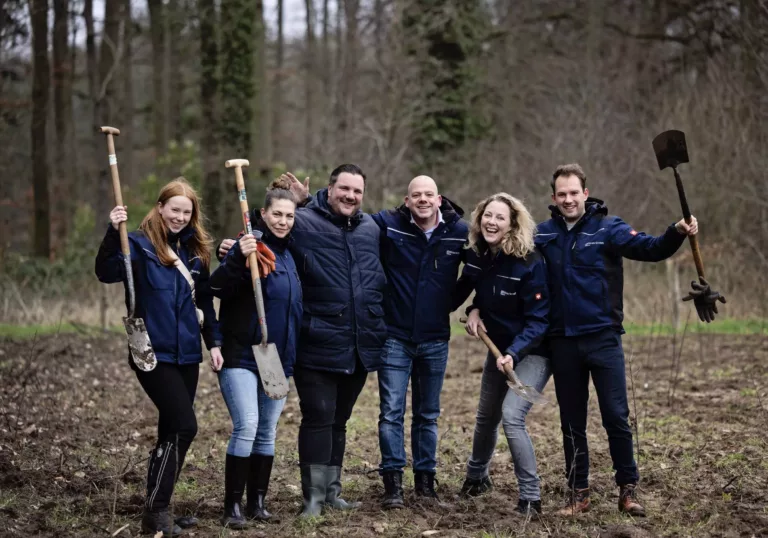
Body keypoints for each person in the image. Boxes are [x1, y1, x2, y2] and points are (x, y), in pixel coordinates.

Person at [219, 164, 387, 517]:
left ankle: (331, 492)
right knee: (319, 416)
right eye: (344, 188)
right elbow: (266, 225)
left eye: (357, 191)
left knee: (340, 419)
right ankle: (311, 497)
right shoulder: (303, 220)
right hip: (314, 341)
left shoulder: (371, 226)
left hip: (357, 343)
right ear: (330, 188)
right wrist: (236, 246)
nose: (350, 196)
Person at [536, 163, 698, 517]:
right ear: (553, 197)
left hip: (603, 338)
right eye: (561, 194)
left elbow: (650, 248)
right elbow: (515, 271)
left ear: (585, 193)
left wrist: (676, 232)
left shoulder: (609, 228)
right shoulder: (542, 235)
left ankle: (628, 490)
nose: (568, 199)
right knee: (571, 422)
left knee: (616, 417)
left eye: (573, 193)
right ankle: (578, 495)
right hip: (562, 341)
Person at [95, 178, 223, 536]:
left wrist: (213, 343)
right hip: (148, 348)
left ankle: (156, 507)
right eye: (174, 209)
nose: (180, 217)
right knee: (185, 425)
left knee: (171, 428)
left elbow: (204, 304)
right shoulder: (136, 243)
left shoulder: (197, 253)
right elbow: (105, 272)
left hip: (186, 353)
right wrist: (111, 230)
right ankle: (159, 510)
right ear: (161, 207)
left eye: (187, 211)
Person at [370, 175, 468, 509]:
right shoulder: (389, 225)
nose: (423, 200)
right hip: (394, 337)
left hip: (435, 339)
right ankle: (393, 484)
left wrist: (462, 303)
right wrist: (311, 200)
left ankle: (426, 485)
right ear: (407, 200)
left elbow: (484, 268)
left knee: (428, 415)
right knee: (391, 412)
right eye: (416, 195)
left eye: (428, 194)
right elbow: (346, 217)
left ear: (439, 199)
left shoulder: (460, 232)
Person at [208, 184, 302, 529]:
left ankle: (257, 503)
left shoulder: (291, 255)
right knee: (247, 425)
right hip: (242, 354)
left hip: (276, 358)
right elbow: (215, 288)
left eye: (289, 215)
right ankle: (231, 506)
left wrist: (304, 199)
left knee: (267, 431)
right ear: (262, 214)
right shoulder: (247, 249)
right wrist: (234, 256)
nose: (283, 221)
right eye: (276, 214)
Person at [451, 193, 550, 515]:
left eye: (499, 217)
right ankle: (476, 477)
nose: (491, 222)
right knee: (486, 416)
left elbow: (539, 320)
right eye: (487, 216)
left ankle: (531, 497)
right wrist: (475, 309)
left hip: (533, 352)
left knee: (511, 416)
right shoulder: (481, 257)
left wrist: (513, 353)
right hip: (498, 352)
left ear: (512, 224)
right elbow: (479, 294)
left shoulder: (529, 262)